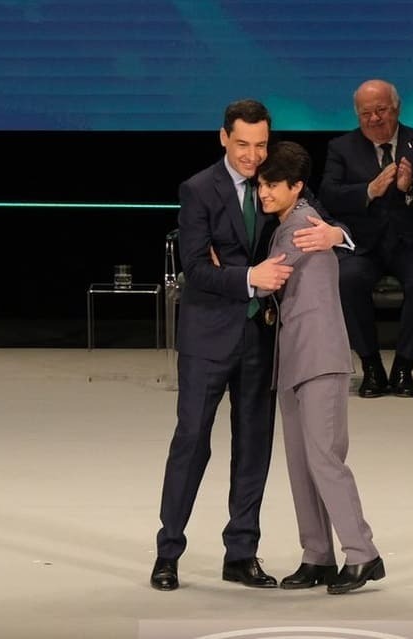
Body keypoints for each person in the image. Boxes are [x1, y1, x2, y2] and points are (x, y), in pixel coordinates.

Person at [151, 99, 350, 592]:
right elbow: (195, 269)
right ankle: (168, 552)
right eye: (242, 144)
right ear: (224, 138)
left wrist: (338, 235)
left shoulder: (276, 182)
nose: (252, 155)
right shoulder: (198, 189)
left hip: (260, 338)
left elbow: (320, 223)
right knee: (192, 441)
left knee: (253, 447)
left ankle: (241, 552)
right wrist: (248, 277)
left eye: (260, 145)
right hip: (207, 338)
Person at [255, 141, 385, 595]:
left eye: (272, 185)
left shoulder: (303, 225)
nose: (263, 192)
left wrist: (222, 274)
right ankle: (317, 555)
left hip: (319, 358)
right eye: (260, 184)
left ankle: (363, 553)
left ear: (297, 187)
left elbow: (266, 279)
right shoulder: (288, 223)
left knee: (325, 461)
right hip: (293, 359)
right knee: (300, 465)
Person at [320, 79, 413, 399]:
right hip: (364, 246)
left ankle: (404, 366)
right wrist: (368, 190)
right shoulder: (341, 148)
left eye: (381, 110)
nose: (374, 118)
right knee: (346, 278)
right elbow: (328, 196)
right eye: (366, 113)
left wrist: (411, 187)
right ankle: (371, 366)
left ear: (397, 109)